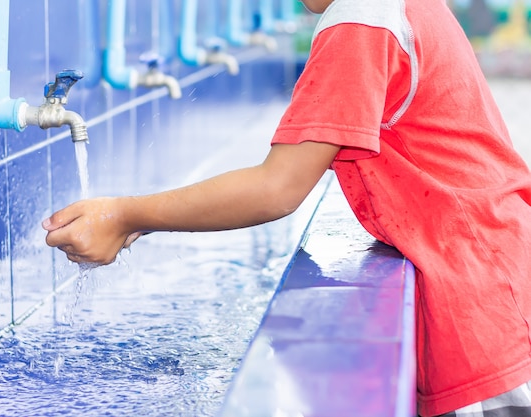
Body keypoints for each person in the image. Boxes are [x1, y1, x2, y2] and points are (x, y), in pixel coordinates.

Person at [41, 0, 531, 415]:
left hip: (479, 302)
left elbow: (277, 188)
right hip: (499, 260)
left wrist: (126, 215)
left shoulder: (360, 23)